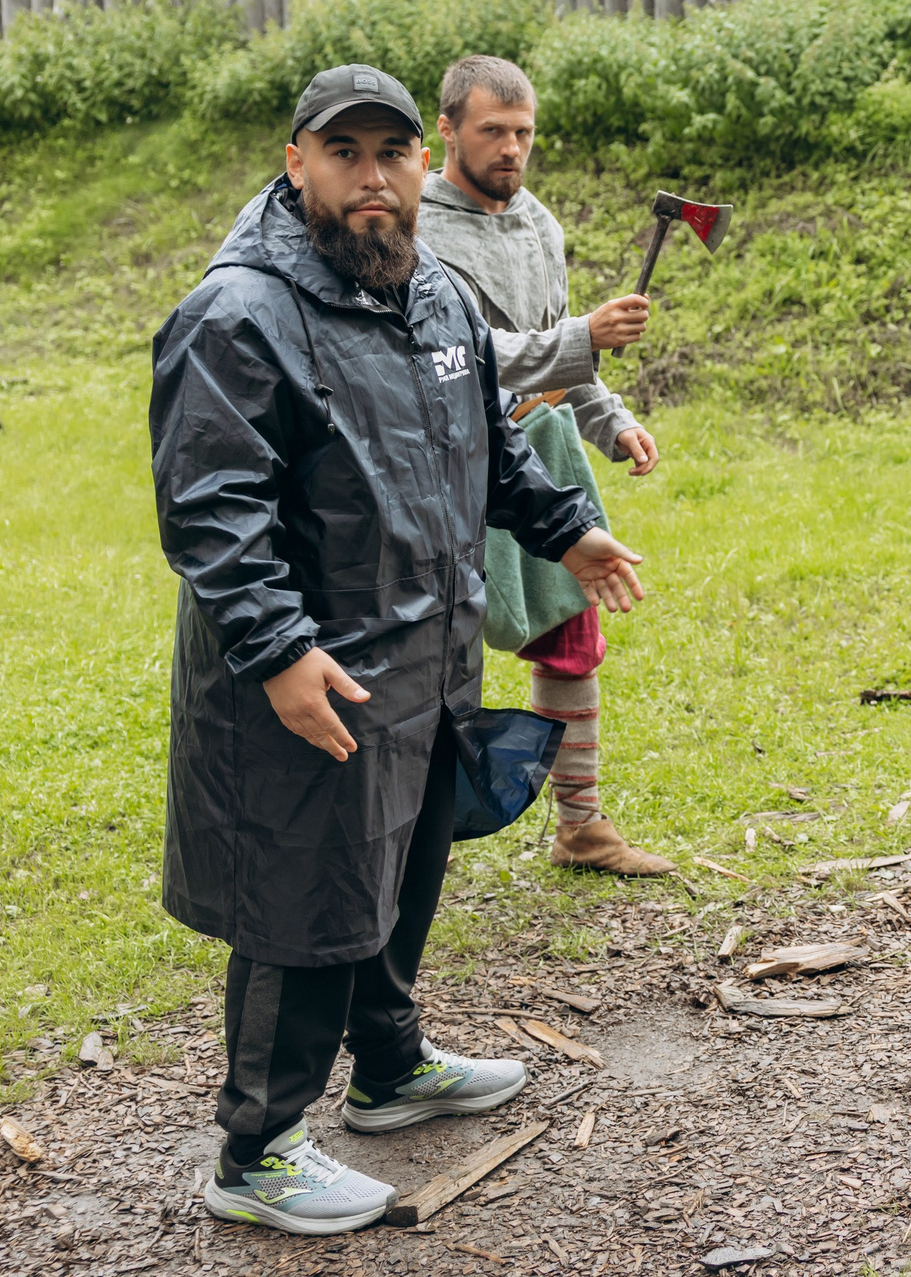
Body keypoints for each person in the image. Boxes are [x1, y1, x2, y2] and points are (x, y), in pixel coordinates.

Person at [149, 63, 650, 1236]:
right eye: (345, 153)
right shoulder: (240, 313)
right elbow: (211, 507)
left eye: (392, 153)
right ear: (297, 164)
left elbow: (487, 443)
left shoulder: (430, 292)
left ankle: (387, 1067)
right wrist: (279, 649)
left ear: (424, 161)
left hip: (426, 647)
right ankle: (257, 1150)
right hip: (311, 669)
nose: (372, 178)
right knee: (304, 891)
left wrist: (566, 527)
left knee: (403, 861)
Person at [417, 54, 673, 877]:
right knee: (433, 659)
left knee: (572, 635)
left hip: (539, 461)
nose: (511, 148)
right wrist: (581, 338)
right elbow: (462, 355)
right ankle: (406, 837)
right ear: (447, 129)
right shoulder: (414, 231)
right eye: (493, 130)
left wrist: (611, 421)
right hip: (449, 470)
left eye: (523, 132)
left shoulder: (538, 224)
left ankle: (581, 827)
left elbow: (562, 353)